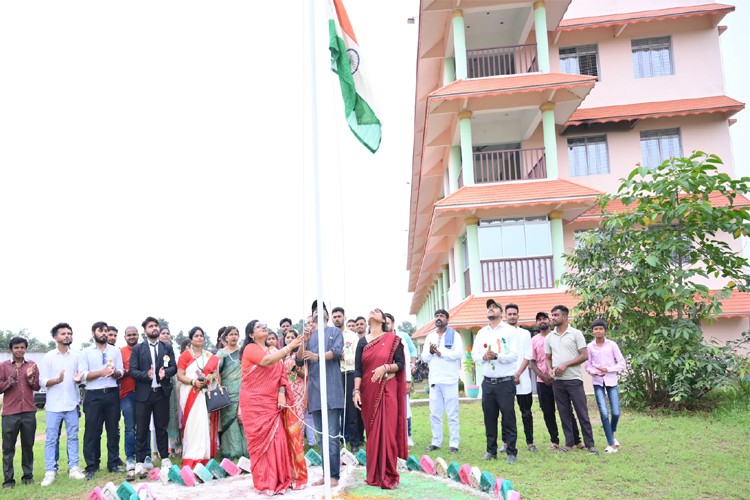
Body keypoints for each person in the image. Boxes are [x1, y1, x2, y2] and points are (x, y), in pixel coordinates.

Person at [239, 320, 307, 494]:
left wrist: (282, 392)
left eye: (264, 325)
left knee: (278, 440)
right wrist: (289, 346)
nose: (263, 327)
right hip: (254, 404)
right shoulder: (250, 349)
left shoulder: (273, 350)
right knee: (260, 445)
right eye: (258, 326)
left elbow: (281, 373)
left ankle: (280, 479)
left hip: (273, 403)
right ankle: (265, 483)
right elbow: (267, 361)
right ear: (251, 334)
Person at [353, 308, 408, 489]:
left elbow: (400, 364)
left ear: (383, 319)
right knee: (373, 433)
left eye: (377, 311)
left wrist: (385, 367)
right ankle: (374, 475)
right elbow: (358, 369)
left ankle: (389, 473)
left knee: (388, 432)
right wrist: (356, 391)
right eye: (370, 311)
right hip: (369, 391)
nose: (372, 312)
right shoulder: (362, 342)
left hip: (387, 390)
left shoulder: (393, 340)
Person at [297, 301, 345, 487]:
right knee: (320, 437)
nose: (318, 312)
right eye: (314, 310)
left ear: (327, 314)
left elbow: (336, 352)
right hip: (315, 391)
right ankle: (326, 474)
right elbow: (299, 361)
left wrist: (317, 356)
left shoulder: (334, 332)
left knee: (332, 435)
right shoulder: (308, 335)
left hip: (332, 389)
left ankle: (334, 476)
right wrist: (304, 341)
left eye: (321, 309)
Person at [545, 305, 599, 455]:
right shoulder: (550, 337)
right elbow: (547, 358)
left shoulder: (576, 334)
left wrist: (565, 364)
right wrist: (550, 369)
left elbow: (584, 355)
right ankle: (569, 444)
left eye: (556, 315)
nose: (553, 317)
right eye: (552, 315)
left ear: (565, 317)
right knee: (564, 413)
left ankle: (590, 445)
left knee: (582, 413)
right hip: (558, 381)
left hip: (574, 379)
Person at [472, 300, 521, 463]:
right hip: (487, 382)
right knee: (489, 418)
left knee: (508, 417)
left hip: (505, 382)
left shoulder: (509, 331)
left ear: (501, 313)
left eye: (494, 307)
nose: (490, 309)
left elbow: (514, 355)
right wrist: (484, 357)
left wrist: (497, 356)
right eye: (489, 308)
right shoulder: (481, 333)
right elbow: (474, 355)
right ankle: (491, 450)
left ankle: (512, 452)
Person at [129, 317, 178, 477]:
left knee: (161, 427)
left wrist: (166, 373)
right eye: (151, 326)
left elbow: (174, 367)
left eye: (156, 325)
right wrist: (146, 375)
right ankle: (140, 461)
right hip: (144, 394)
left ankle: (164, 458)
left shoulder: (166, 347)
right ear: (145, 331)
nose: (154, 328)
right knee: (141, 429)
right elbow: (132, 371)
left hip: (161, 393)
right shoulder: (138, 349)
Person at [39, 323, 86, 487]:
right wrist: (56, 380)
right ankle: (50, 471)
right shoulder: (48, 357)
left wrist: (80, 379)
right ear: (55, 337)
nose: (67, 336)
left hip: (72, 404)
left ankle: (74, 468)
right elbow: (41, 381)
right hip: (53, 406)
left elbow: (82, 375)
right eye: (63, 333)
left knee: (73, 437)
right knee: (51, 439)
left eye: (69, 333)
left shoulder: (77, 356)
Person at [529, 312, 582, 450]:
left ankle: (576, 440)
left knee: (567, 411)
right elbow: (532, 362)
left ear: (549, 320)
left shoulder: (557, 336)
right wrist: (544, 376)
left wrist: (553, 376)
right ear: (536, 323)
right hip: (543, 382)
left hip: (560, 379)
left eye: (544, 318)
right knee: (548, 412)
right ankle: (555, 441)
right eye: (539, 319)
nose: (542, 321)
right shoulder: (534, 340)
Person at [80, 321, 125, 480]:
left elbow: (121, 371)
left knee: (113, 430)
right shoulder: (85, 352)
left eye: (106, 331)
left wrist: (114, 373)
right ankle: (92, 466)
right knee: (92, 431)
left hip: (112, 393)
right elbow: (83, 375)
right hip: (93, 395)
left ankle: (113, 463)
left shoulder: (115, 351)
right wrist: (101, 372)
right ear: (93, 333)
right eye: (101, 331)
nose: (104, 333)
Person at [176, 326, 221, 468]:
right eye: (196, 336)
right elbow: (180, 375)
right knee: (192, 425)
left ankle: (203, 457)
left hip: (203, 394)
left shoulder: (208, 356)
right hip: (189, 392)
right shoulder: (185, 355)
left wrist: (209, 378)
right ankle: (191, 457)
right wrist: (193, 382)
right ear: (191, 339)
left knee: (203, 423)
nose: (199, 338)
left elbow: (215, 374)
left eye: (201, 335)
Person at [0, 337, 40, 489]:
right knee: (8, 448)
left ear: (26, 349)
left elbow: (36, 386)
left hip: (29, 412)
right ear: (11, 349)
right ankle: (8, 480)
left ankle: (28, 476)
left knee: (28, 446)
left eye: (22, 347)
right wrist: (12, 378)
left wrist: (30, 377)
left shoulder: (32, 365)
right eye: (16, 348)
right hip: (10, 413)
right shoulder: (3, 366)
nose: (19, 350)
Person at [421, 309, 463, 454]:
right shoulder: (430, 336)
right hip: (435, 379)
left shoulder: (454, 335)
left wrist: (441, 353)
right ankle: (436, 441)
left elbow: (458, 354)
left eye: (442, 316)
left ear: (447, 319)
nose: (439, 318)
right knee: (435, 413)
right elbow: (424, 357)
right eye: (437, 316)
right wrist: (432, 352)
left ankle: (454, 443)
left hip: (450, 380)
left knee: (452, 413)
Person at [585, 319, 626, 453]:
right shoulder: (590, 347)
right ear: (592, 331)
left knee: (615, 412)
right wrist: (595, 372)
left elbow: (621, 364)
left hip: (611, 380)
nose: (598, 331)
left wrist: (607, 369)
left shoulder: (612, 345)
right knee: (603, 411)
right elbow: (588, 365)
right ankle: (611, 442)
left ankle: (611, 433)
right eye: (596, 329)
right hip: (598, 382)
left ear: (605, 331)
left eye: (601, 329)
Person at [504, 304, 536, 453]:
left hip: (522, 379)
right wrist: (511, 375)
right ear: (505, 315)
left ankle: (530, 442)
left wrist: (518, 374)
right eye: (509, 314)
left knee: (526, 412)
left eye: (514, 314)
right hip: (504, 379)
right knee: (506, 413)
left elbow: (528, 355)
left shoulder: (525, 333)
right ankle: (506, 443)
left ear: (518, 315)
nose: (512, 316)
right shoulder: (501, 333)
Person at [385, 312, 417, 448]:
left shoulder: (401, 338)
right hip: (388, 380)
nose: (386, 325)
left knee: (405, 407)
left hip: (401, 378)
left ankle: (407, 435)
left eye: (388, 322)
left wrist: (408, 381)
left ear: (393, 324)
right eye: (383, 323)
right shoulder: (382, 338)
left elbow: (407, 359)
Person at [333, 306, 362, 452]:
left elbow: (358, 357)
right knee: (337, 410)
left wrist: (345, 357)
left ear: (344, 317)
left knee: (351, 411)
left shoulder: (352, 336)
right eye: (334, 316)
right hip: (334, 375)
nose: (337, 319)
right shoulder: (330, 335)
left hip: (349, 373)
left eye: (339, 316)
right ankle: (340, 439)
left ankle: (355, 442)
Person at [217, 326, 248, 459]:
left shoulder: (243, 352)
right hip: (227, 393)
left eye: (236, 334)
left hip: (244, 391)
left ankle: (248, 451)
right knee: (230, 423)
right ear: (225, 337)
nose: (234, 337)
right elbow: (216, 373)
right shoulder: (220, 354)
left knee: (244, 421)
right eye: (231, 334)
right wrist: (219, 388)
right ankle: (232, 452)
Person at [159, 327, 181, 457]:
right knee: (162, 417)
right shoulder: (156, 349)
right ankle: (166, 449)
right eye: (163, 333)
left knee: (175, 414)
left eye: (168, 333)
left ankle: (176, 447)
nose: (166, 335)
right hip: (161, 384)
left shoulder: (173, 350)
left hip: (175, 384)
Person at [283, 329, 307, 433]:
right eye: (288, 337)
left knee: (298, 415)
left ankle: (299, 443)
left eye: (292, 337)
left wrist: (293, 369)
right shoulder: (282, 354)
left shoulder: (299, 354)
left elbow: (304, 374)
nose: (289, 339)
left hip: (297, 387)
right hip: (284, 388)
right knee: (287, 415)